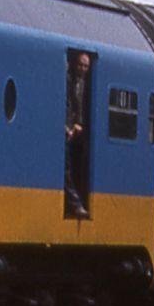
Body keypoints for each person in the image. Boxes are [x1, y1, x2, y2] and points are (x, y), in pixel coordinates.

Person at [64, 51, 94, 219]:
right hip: (69, 130)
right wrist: (69, 127)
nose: (82, 69)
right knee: (67, 166)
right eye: (80, 65)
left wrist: (81, 126)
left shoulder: (89, 85)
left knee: (81, 165)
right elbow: (67, 105)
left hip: (81, 132)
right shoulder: (68, 80)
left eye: (85, 66)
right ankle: (74, 204)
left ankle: (79, 201)